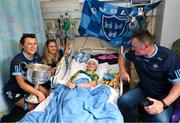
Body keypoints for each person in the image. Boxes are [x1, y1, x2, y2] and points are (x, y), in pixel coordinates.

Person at [118, 30, 180, 122]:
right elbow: (121, 57)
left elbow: (178, 86)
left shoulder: (169, 57)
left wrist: (163, 103)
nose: (132, 49)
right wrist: (123, 71)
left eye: (135, 46)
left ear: (146, 46)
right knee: (123, 101)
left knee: (161, 120)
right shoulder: (135, 54)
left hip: (163, 95)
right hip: (144, 90)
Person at [4, 33, 49, 111]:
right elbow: (21, 83)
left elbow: (35, 77)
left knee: (47, 94)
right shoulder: (17, 61)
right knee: (34, 108)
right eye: (29, 44)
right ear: (22, 46)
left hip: (28, 84)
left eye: (35, 43)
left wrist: (43, 90)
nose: (33, 47)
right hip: (14, 90)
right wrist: (38, 93)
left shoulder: (36, 56)